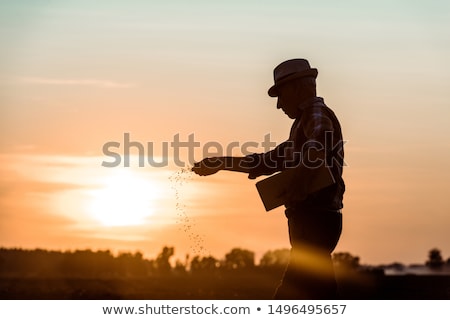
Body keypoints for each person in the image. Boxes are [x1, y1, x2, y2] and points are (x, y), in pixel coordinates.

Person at [192, 58, 345, 299]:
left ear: (297, 88)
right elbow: (266, 161)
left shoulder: (316, 114)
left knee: (291, 295)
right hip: (312, 223)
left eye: (280, 95)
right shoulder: (301, 127)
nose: (278, 105)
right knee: (320, 294)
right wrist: (221, 163)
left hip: (315, 221)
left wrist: (299, 187)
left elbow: (317, 149)